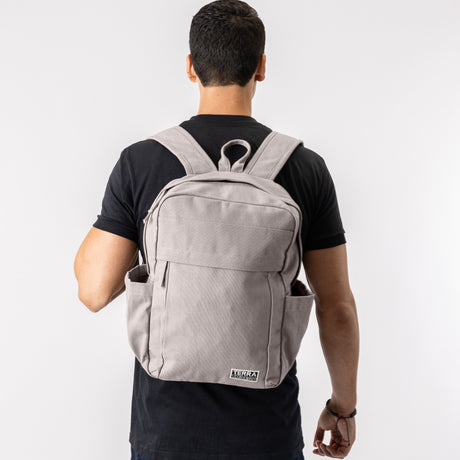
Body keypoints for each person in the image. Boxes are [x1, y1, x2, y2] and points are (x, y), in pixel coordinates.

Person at [74, 1, 359, 459]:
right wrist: (342, 407)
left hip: (165, 433)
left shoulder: (142, 163)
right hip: (267, 432)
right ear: (261, 67)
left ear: (191, 66)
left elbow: (93, 291)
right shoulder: (306, 169)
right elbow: (337, 306)